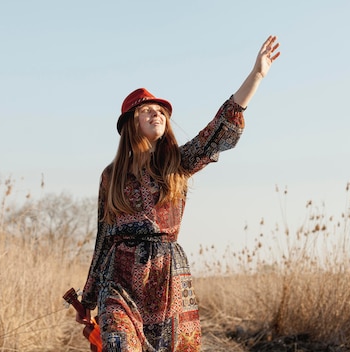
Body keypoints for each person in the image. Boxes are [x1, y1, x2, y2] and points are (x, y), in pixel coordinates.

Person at [76, 35, 281, 352]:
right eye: (147, 111)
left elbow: (218, 130)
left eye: (160, 110)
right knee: (118, 344)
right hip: (119, 275)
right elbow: (103, 237)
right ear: (131, 124)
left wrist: (256, 75)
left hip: (166, 272)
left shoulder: (178, 162)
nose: (156, 114)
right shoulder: (110, 175)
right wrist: (88, 297)